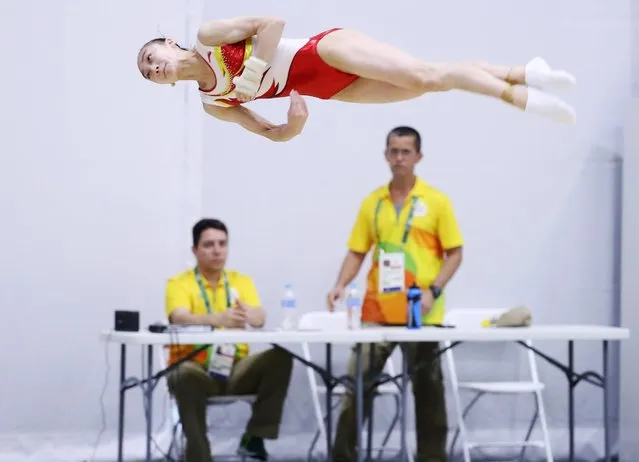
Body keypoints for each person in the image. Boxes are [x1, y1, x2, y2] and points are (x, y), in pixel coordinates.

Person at [136, 17, 577, 142]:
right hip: (330, 89)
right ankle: (525, 72)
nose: (155, 67)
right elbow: (269, 133)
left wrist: (253, 69)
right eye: (149, 72)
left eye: (153, 57)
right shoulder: (214, 104)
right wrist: (294, 127)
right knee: (430, 82)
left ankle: (520, 97)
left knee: (426, 72)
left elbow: (272, 24)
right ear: (163, 84)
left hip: (325, 50)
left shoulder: (208, 37)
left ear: (172, 44)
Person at [326, 126, 464, 462]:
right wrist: (340, 284)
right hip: (379, 312)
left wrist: (433, 290)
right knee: (357, 385)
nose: (399, 158)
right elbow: (357, 251)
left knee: (429, 390)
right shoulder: (373, 202)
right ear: (386, 155)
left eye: (406, 152)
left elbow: (455, 253)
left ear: (418, 157)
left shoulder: (436, 201)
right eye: (393, 151)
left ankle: (432, 458)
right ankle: (343, 457)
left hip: (421, 311)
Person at [165, 218, 293, 462]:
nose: (217, 250)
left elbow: (259, 317)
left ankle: (254, 437)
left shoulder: (240, 281)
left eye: (222, 244)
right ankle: (200, 457)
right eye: (209, 245)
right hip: (195, 368)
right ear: (195, 250)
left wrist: (251, 315)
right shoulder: (179, 283)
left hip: (234, 369)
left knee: (280, 358)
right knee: (183, 375)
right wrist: (217, 318)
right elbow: (178, 317)